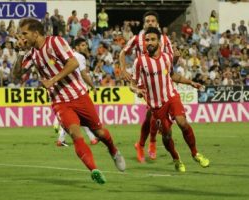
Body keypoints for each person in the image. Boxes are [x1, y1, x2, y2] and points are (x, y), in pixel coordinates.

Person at [15, 18, 125, 184]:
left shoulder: (55, 42)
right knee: (75, 134)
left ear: (35, 33)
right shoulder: (31, 54)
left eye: (24, 34)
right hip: (60, 101)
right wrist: (20, 53)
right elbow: (17, 75)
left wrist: (52, 80)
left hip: (78, 95)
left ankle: (113, 151)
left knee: (99, 133)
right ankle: (94, 169)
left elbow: (73, 63)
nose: (21, 38)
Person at [131, 27, 209, 172]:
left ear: (159, 41)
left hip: (171, 97)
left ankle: (195, 153)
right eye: (147, 40)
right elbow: (132, 84)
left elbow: (173, 76)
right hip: (156, 106)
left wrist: (191, 82)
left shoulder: (167, 57)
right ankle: (176, 158)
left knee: (182, 123)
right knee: (167, 136)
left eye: (153, 39)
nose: (149, 42)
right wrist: (137, 90)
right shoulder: (140, 62)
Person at [119, 11, 176, 162]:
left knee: (155, 116)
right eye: (147, 21)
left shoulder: (164, 39)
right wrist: (123, 69)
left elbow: (172, 59)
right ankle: (150, 143)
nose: (150, 23)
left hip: (163, 81)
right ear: (144, 24)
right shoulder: (137, 39)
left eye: (152, 20)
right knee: (153, 113)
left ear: (157, 23)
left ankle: (142, 143)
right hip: (145, 82)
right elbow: (122, 53)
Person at [55, 38, 99, 146]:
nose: (85, 47)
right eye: (83, 45)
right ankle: (92, 137)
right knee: (82, 115)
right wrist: (93, 86)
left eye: (85, 45)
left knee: (76, 117)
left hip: (68, 90)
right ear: (77, 47)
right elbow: (83, 74)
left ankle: (61, 139)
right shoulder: (80, 57)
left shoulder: (67, 56)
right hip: (79, 89)